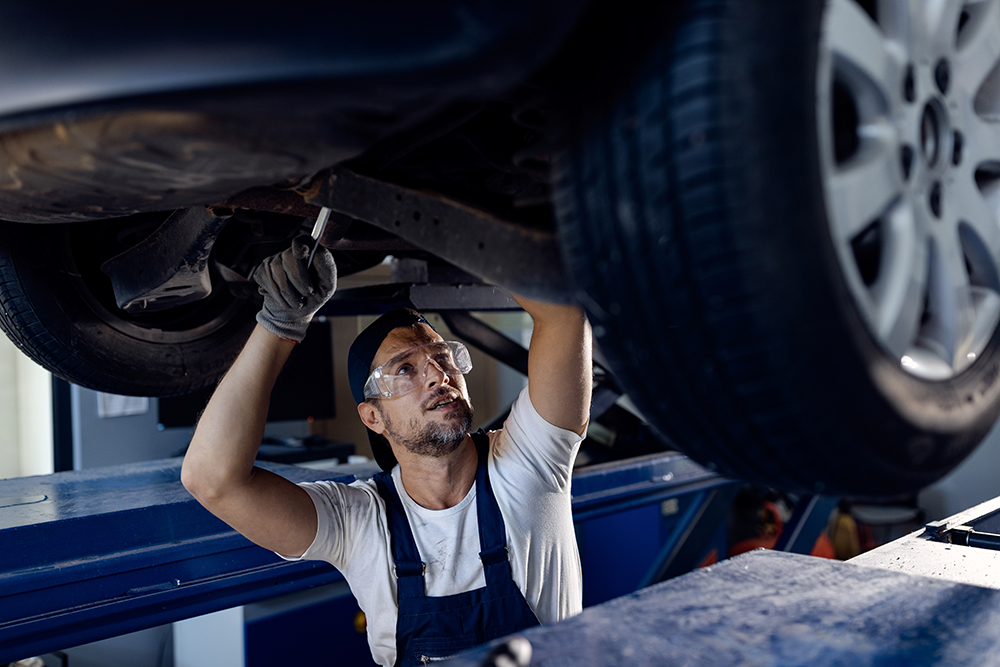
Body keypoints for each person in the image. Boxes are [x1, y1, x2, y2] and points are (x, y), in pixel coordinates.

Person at [181, 235, 592, 666]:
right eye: (405, 369)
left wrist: (462, 233)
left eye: (443, 357)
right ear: (373, 417)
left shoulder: (530, 459)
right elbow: (212, 479)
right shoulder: (360, 522)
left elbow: (563, 316)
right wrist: (279, 323)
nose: (437, 375)